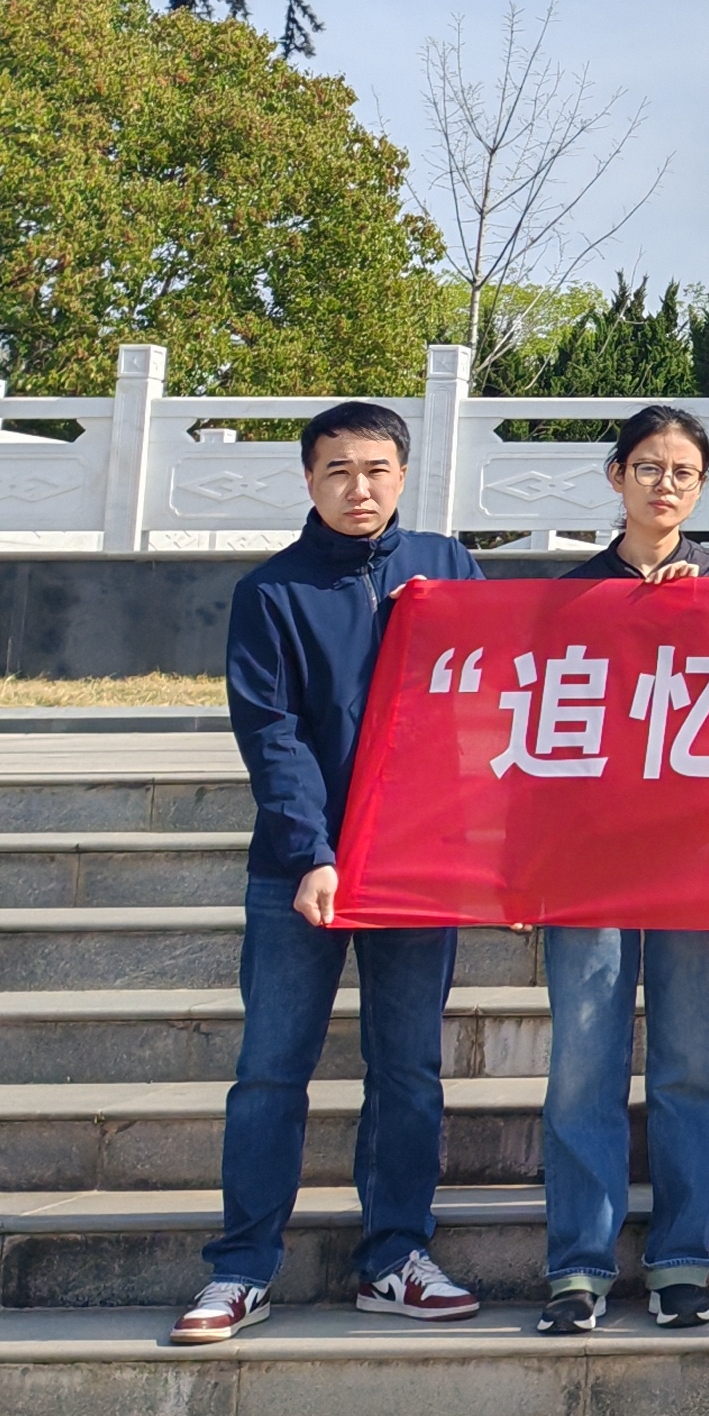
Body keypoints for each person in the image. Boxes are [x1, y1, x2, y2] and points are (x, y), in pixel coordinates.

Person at [174, 402, 485, 1344]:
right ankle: (241, 1269)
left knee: (409, 1070)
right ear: (309, 480)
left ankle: (395, 1257)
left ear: (404, 475)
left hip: (416, 865)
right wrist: (313, 851)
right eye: (339, 471)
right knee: (272, 1071)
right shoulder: (273, 592)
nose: (360, 488)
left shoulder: (447, 566)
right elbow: (272, 735)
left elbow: (507, 681)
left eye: (377, 470)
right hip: (299, 870)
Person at [530, 404, 709, 1335]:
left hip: (699, 859)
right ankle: (578, 1267)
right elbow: (534, 740)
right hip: (589, 863)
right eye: (649, 467)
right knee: (584, 1065)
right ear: (616, 476)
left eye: (683, 473)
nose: (666, 485)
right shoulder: (568, 600)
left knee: (695, 1064)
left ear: (702, 489)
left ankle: (681, 1260)